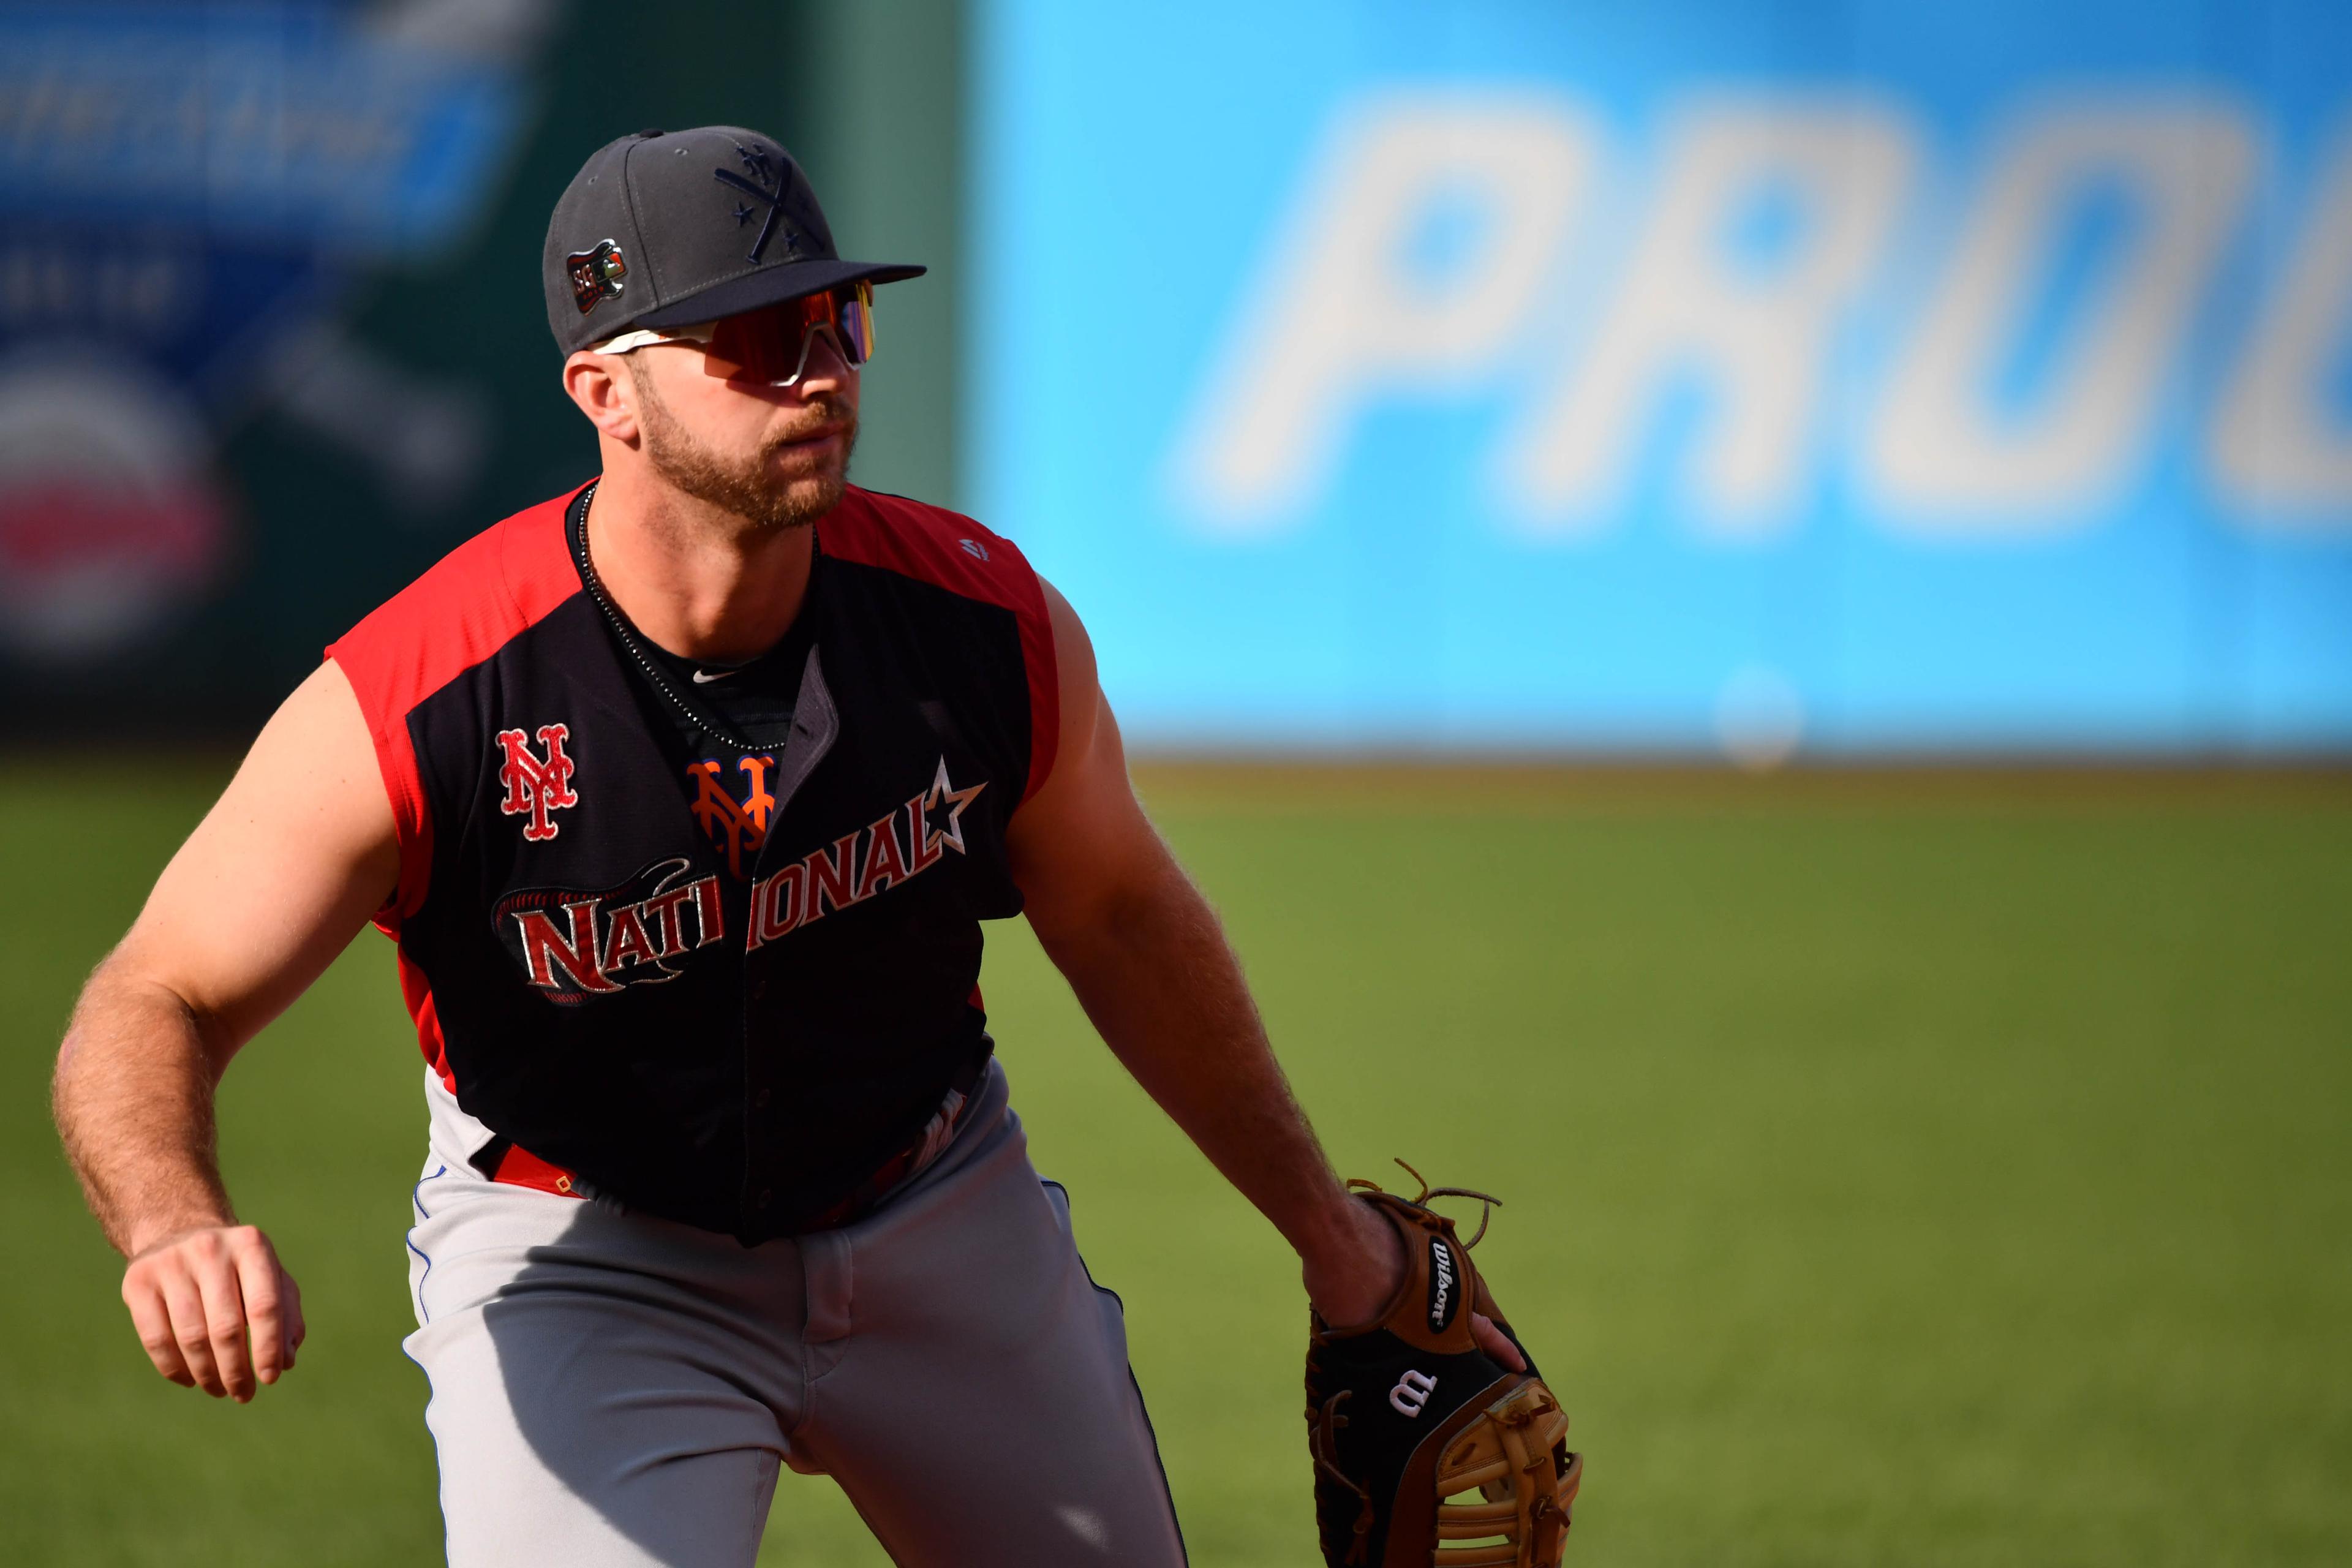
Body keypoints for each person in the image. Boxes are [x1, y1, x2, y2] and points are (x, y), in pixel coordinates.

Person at [51, 125, 1518, 1567]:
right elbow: (156, 991)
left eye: (836, 317)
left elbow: (1127, 919)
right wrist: (173, 1220)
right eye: (750, 336)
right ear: (604, 391)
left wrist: (1338, 1242)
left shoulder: (981, 625)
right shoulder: (421, 698)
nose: (818, 368)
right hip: (592, 1260)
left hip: (940, 1208)